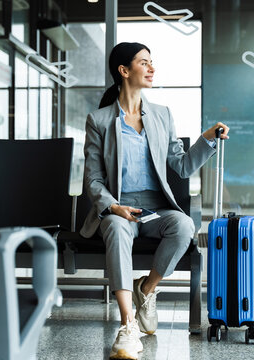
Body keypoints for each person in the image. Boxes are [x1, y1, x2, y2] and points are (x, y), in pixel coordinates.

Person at [79, 42, 229, 360]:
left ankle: (146, 289)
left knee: (183, 224)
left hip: (155, 210)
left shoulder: (161, 115)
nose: (151, 68)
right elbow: (92, 179)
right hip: (118, 209)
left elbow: (183, 165)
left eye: (151, 62)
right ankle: (127, 324)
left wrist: (208, 138)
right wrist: (113, 206)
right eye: (144, 62)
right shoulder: (100, 120)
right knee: (118, 230)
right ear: (124, 71)